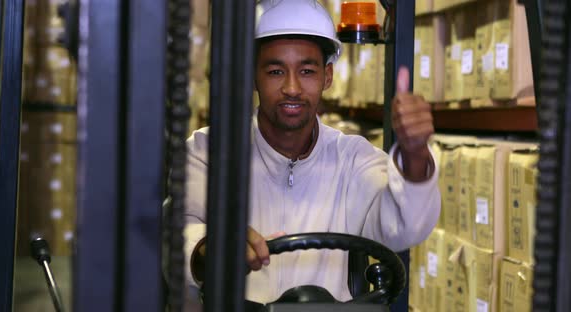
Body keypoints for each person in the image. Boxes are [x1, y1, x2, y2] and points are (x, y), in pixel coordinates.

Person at [184, 0, 440, 304]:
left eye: (306, 71)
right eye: (276, 71)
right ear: (253, 75)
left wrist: (414, 154)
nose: (292, 88)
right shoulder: (209, 152)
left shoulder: (353, 159)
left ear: (327, 77)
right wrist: (208, 248)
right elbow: (178, 230)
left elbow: (404, 225)